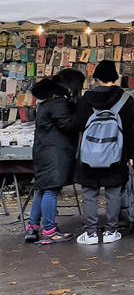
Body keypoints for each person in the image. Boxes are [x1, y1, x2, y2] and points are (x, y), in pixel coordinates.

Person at [73, 61, 134, 245]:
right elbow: (131, 130)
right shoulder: (126, 99)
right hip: (115, 155)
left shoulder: (86, 99)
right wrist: (129, 154)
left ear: (97, 78)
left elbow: (78, 124)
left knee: (90, 193)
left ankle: (91, 233)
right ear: (115, 77)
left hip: (89, 155)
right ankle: (111, 230)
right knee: (114, 192)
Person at [25, 68, 86, 244]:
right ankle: (49, 230)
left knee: (42, 189)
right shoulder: (59, 103)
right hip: (55, 153)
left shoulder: (47, 101)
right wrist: (80, 113)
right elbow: (68, 126)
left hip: (44, 151)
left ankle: (33, 227)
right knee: (51, 189)